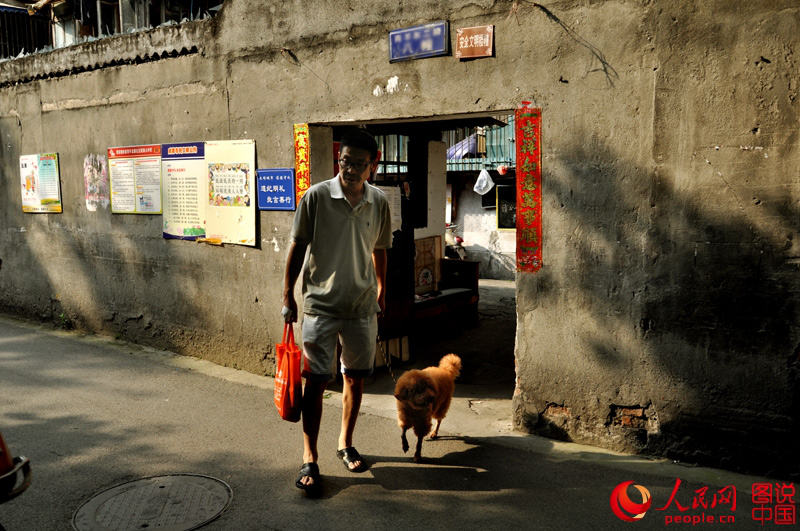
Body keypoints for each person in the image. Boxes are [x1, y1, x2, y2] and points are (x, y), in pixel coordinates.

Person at [282, 128, 391, 497]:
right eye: (345, 161)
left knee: (356, 378)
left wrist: (381, 288)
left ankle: (345, 442)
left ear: (372, 164)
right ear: (338, 159)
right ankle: (309, 456)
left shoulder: (378, 202)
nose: (351, 169)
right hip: (320, 307)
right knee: (315, 382)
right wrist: (288, 295)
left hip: (361, 308)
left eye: (359, 164)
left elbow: (381, 248)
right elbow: (297, 247)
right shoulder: (316, 197)